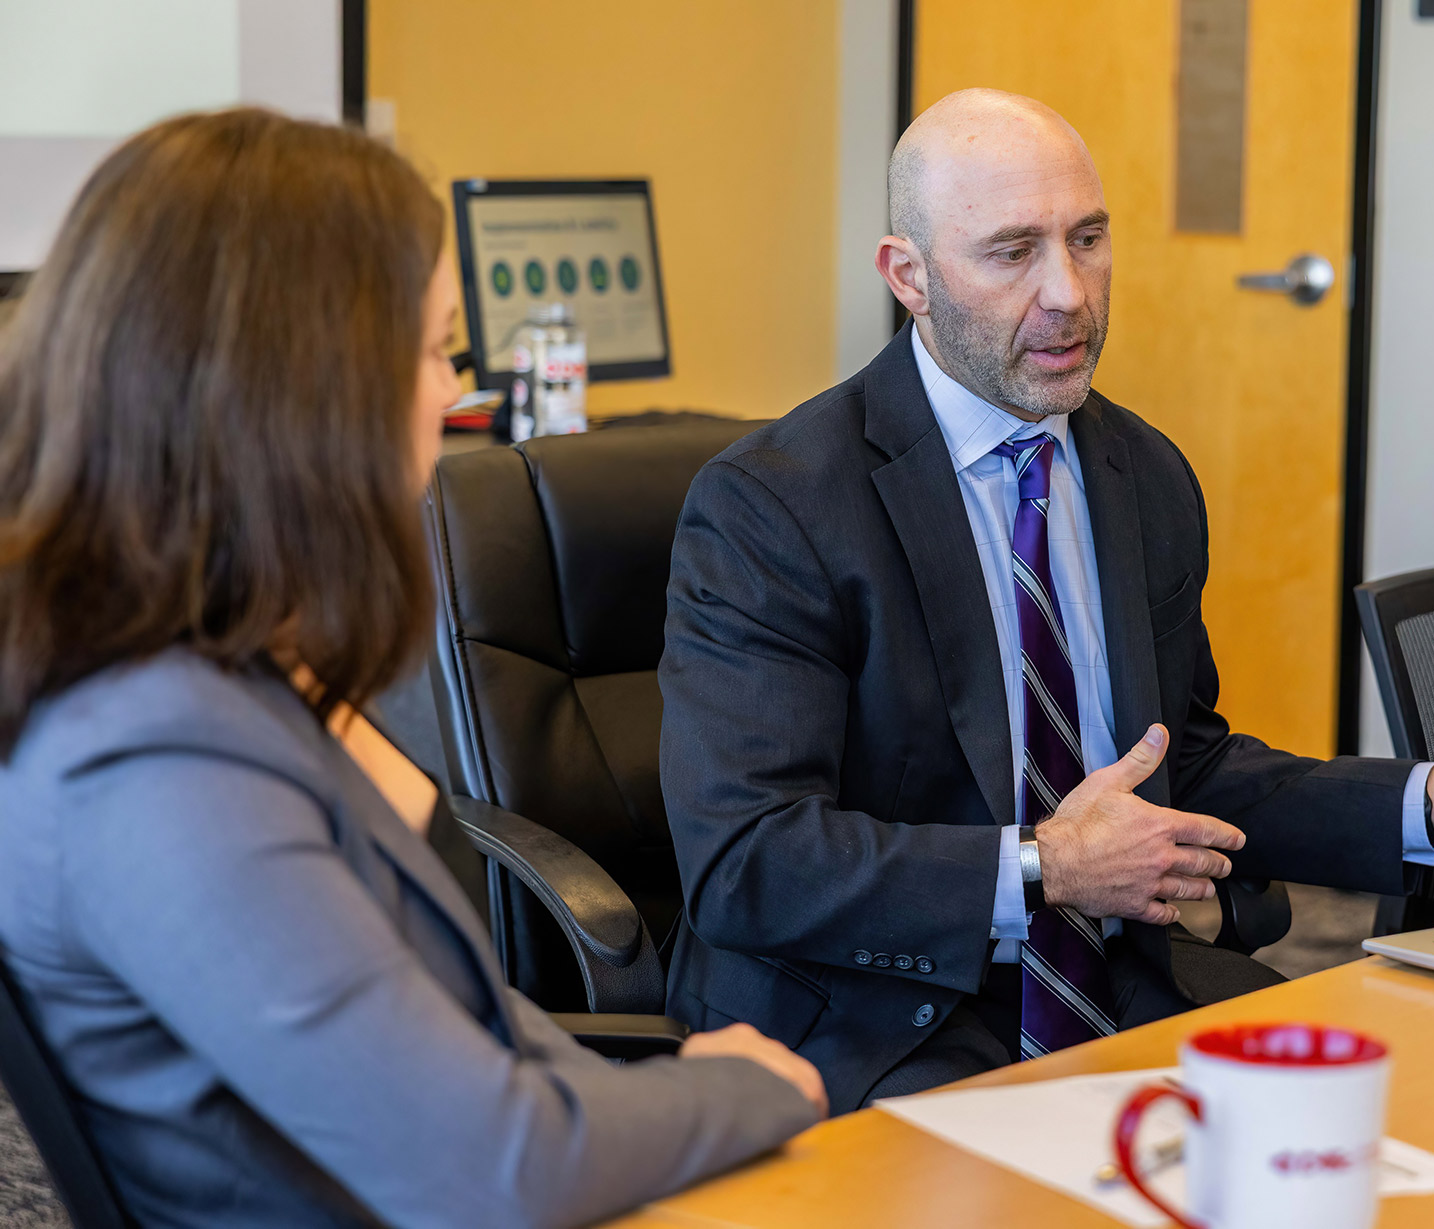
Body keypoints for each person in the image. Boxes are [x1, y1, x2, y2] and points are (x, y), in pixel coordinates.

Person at [657, 88, 1434, 1115]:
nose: (1067, 294)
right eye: (1010, 252)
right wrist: (1044, 866)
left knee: (1396, 1120)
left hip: (1113, 978)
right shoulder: (774, 504)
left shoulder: (1140, 474)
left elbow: (1186, 766)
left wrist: (1427, 797)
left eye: (1086, 239)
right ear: (906, 276)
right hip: (872, 1014)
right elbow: (748, 859)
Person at [0, 108, 825, 1229]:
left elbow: (461, 1036)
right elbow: (490, 1171)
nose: (453, 395)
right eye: (436, 349)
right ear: (303, 390)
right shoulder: (151, 760)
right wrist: (748, 1088)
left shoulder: (212, 676)